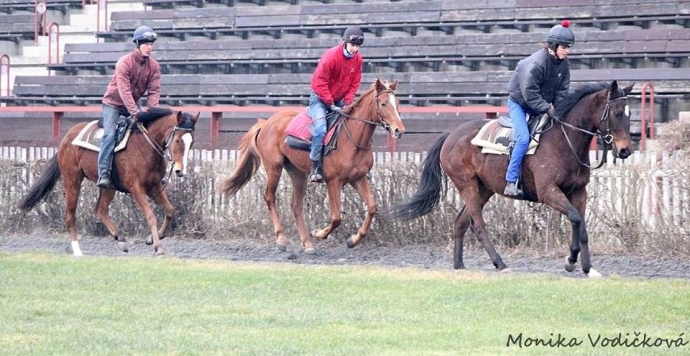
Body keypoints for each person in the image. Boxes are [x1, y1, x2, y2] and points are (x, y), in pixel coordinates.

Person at [504, 20, 574, 196]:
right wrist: (548, 108)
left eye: (568, 47)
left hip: (540, 105)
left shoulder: (564, 63)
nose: (568, 51)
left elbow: (562, 90)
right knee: (522, 138)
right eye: (565, 47)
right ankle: (511, 181)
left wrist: (558, 109)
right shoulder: (535, 64)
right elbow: (530, 94)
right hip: (520, 104)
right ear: (554, 46)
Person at [96, 25, 161, 188]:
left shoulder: (154, 66)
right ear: (138, 44)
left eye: (151, 44)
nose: (149, 47)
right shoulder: (124, 63)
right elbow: (124, 91)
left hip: (132, 102)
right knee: (109, 135)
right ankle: (103, 173)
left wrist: (151, 113)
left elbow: (154, 92)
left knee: (147, 132)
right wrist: (135, 113)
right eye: (146, 44)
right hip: (113, 103)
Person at [306, 26, 364, 183]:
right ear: (345, 43)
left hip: (339, 100)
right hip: (319, 99)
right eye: (353, 45)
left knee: (352, 126)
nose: (355, 49)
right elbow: (319, 82)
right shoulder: (331, 56)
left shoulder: (358, 59)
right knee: (320, 129)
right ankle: (315, 166)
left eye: (358, 46)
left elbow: (355, 82)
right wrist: (330, 103)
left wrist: (347, 101)